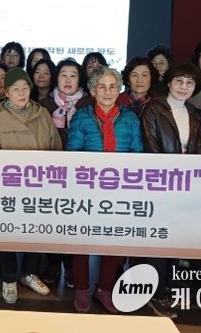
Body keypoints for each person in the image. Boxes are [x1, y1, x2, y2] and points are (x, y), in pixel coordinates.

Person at [0, 68, 62, 305]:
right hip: (8, 189)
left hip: (39, 187)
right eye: (15, 89)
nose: (21, 93)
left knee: (35, 231)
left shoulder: (42, 114)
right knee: (7, 233)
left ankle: (29, 273)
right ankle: (8, 279)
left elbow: (56, 148)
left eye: (25, 88)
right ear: (6, 92)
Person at [66, 67, 143, 314]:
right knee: (81, 239)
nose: (108, 92)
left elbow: (138, 154)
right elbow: (72, 153)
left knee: (115, 239)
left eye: (112, 87)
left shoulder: (130, 119)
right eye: (102, 86)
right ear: (92, 90)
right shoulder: (81, 117)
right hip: (87, 190)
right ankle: (81, 288)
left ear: (119, 89)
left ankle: (105, 288)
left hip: (121, 190)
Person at [140, 62, 201, 318]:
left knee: (176, 240)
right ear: (169, 83)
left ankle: (168, 287)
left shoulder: (195, 113)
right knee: (158, 240)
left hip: (185, 188)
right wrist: (170, 178)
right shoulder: (153, 109)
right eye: (179, 81)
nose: (183, 87)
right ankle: (155, 294)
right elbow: (151, 147)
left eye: (190, 83)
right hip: (160, 186)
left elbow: (199, 151)